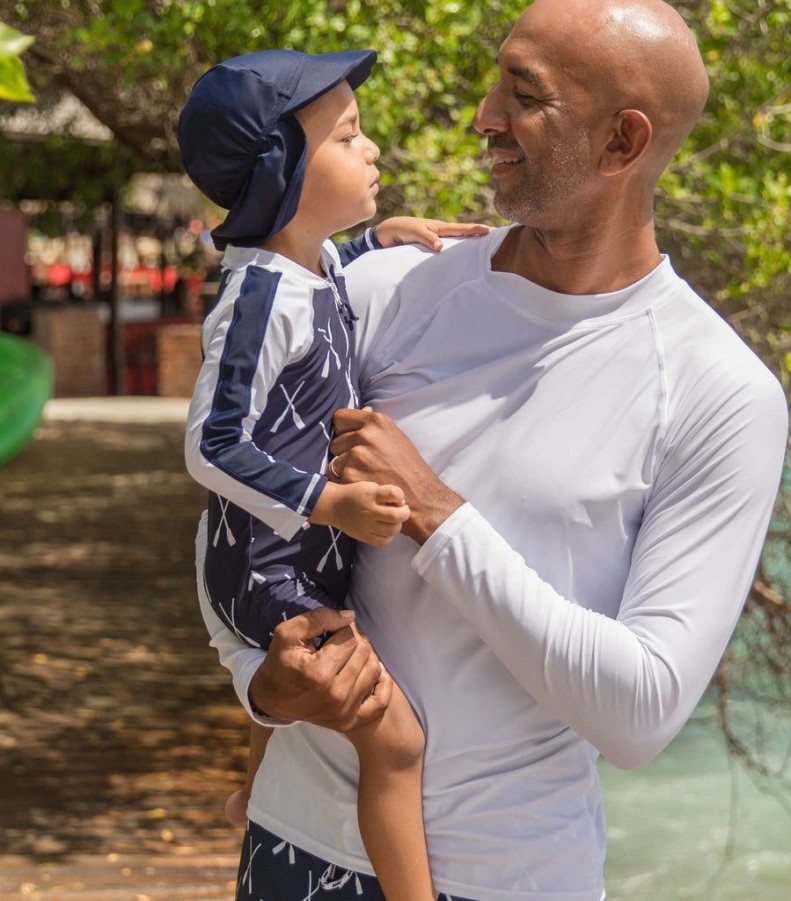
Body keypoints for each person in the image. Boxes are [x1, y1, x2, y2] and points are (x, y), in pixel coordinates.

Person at [196, 1, 789, 899]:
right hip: (288, 841)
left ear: (622, 144)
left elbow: (638, 713)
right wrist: (262, 688)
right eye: (493, 79)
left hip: (506, 878)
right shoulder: (382, 285)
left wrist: (437, 514)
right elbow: (249, 516)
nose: (483, 116)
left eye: (523, 95)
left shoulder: (720, 393)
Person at [180, 48, 486, 901]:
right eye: (349, 137)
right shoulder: (251, 301)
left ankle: (255, 796)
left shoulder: (303, 271)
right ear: (283, 171)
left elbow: (313, 290)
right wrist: (331, 500)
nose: (374, 148)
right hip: (264, 560)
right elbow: (211, 444)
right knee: (394, 741)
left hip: (290, 548)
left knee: (308, 698)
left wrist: (369, 241)